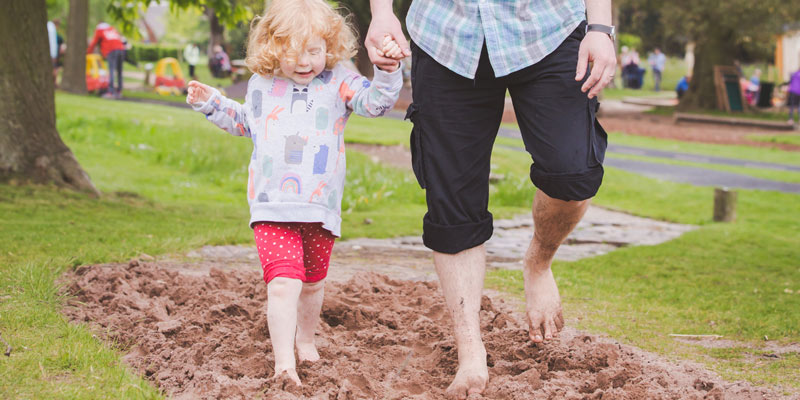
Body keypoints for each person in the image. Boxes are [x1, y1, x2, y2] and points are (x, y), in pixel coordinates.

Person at [366, 0, 615, 398]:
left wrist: (600, 28)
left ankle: (539, 260)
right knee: (452, 203)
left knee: (573, 173)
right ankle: (470, 351)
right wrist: (381, 13)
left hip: (547, 27)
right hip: (446, 34)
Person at [186, 0, 404, 386]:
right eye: (292, 52)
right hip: (272, 206)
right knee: (284, 283)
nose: (304, 62)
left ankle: (306, 339)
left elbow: (376, 104)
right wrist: (211, 103)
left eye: (314, 51)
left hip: (320, 208)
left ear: (329, 46)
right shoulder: (262, 85)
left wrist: (387, 71)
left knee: (313, 284)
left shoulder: (339, 81)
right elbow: (242, 122)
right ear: (273, 47)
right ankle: (284, 363)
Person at [87, 22, 126, 98]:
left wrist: (88, 52)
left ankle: (111, 92)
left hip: (112, 50)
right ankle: (119, 91)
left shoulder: (100, 31)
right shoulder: (112, 29)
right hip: (121, 49)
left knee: (111, 70)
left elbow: (94, 42)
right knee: (119, 71)